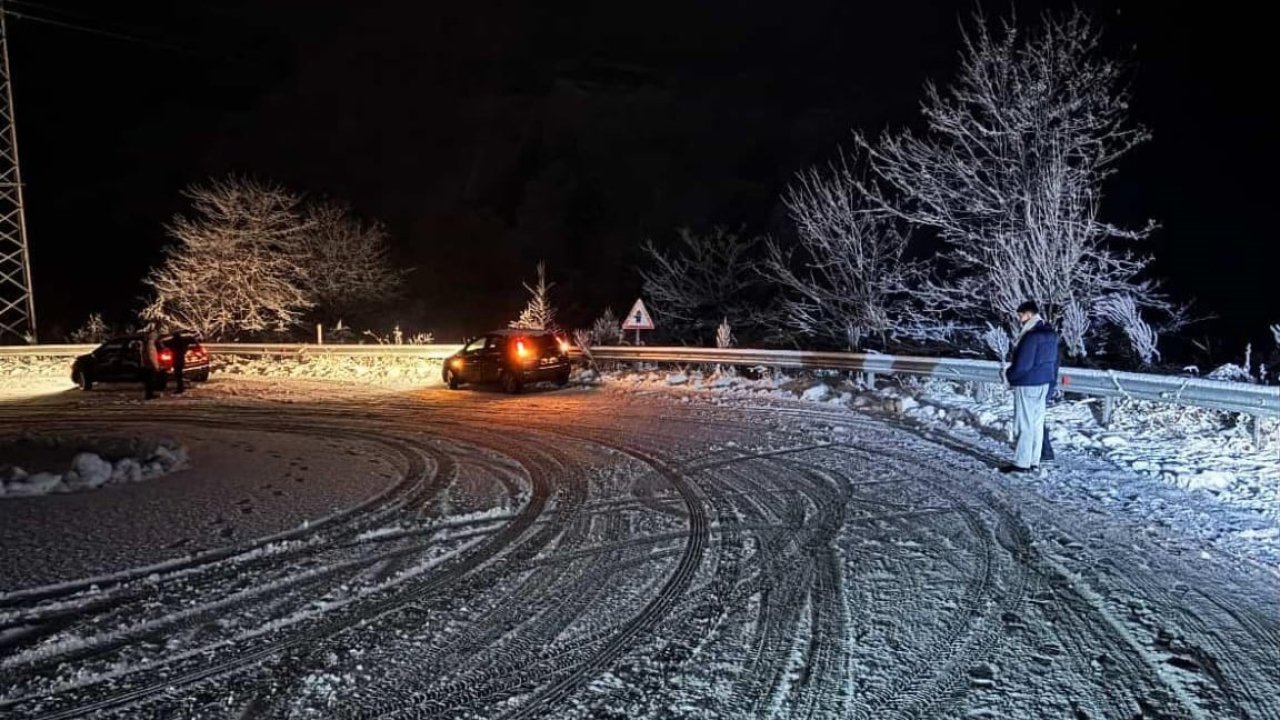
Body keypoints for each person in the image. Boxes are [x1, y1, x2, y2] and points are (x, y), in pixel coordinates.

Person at [1000, 301, 1059, 473]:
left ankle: (1021, 463)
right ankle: (1034, 461)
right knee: (1036, 423)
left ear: (1029, 314)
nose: (1019, 319)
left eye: (1020, 315)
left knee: (1024, 424)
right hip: (1044, 382)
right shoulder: (1051, 333)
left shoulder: (1031, 336)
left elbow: (1023, 365)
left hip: (1027, 383)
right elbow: (1055, 362)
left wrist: (1009, 375)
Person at [141, 330, 161, 400]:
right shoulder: (150, 344)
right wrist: (156, 365)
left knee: (149, 381)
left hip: (147, 365)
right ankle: (149, 395)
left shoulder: (146, 344)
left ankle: (149, 394)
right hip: (150, 365)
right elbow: (151, 356)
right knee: (150, 381)